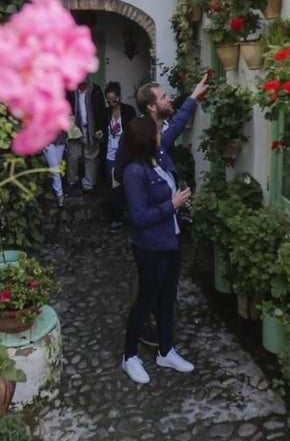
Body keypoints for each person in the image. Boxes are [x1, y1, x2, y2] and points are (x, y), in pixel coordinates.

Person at [115, 72, 210, 347]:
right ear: (152, 107)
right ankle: (141, 325)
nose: (170, 99)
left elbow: (177, 126)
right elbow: (124, 172)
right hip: (149, 223)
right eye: (165, 97)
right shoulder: (137, 138)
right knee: (146, 283)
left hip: (168, 227)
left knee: (164, 286)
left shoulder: (161, 134)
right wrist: (148, 189)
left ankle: (162, 332)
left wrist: (193, 97)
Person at [120, 116, 194, 384]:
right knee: (146, 302)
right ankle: (129, 356)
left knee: (167, 300)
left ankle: (166, 350)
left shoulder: (158, 162)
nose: (161, 133)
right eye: (157, 131)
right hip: (151, 247)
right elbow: (139, 216)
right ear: (145, 138)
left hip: (171, 242)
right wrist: (172, 205)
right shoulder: (134, 172)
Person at [103, 81, 137, 230]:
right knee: (114, 187)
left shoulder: (129, 111)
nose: (111, 103)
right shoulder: (105, 112)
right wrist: (100, 134)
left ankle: (131, 215)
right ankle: (116, 218)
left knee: (130, 185)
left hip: (126, 153)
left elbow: (135, 131)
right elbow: (101, 129)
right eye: (109, 101)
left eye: (114, 100)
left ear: (119, 97)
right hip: (110, 155)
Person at [65, 77, 108, 193]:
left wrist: (99, 128)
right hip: (74, 127)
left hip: (91, 128)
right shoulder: (70, 91)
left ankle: (89, 184)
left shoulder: (95, 90)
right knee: (72, 156)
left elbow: (101, 111)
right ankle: (71, 181)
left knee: (90, 157)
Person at [43, 127, 67, 207]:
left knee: (57, 168)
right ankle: (59, 194)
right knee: (54, 168)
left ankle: (56, 191)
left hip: (61, 140)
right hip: (47, 141)